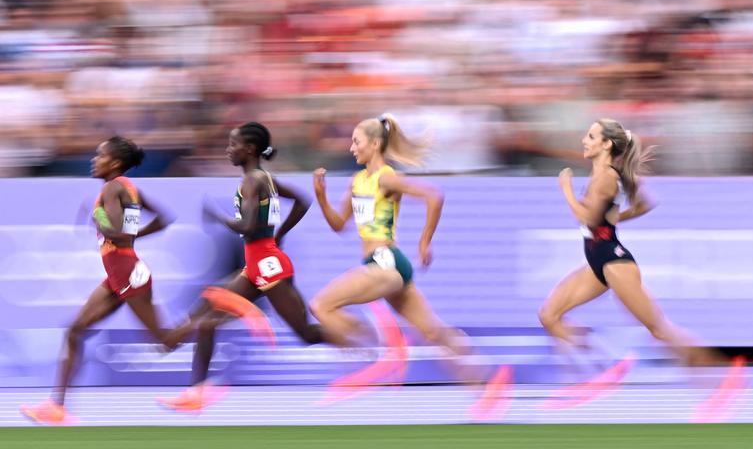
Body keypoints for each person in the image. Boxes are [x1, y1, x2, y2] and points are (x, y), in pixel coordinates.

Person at [538, 119, 744, 411]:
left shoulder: (606, 178)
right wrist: (615, 219)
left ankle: (721, 380)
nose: (584, 140)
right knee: (549, 316)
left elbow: (587, 219)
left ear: (606, 144)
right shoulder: (607, 174)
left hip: (614, 262)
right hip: (597, 261)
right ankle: (605, 367)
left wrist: (566, 189)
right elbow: (645, 204)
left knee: (659, 329)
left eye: (591, 136)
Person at [160, 122, 340, 412]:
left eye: (233, 144)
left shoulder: (253, 181)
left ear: (250, 149)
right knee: (207, 322)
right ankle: (196, 392)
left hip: (267, 266)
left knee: (306, 334)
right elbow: (301, 202)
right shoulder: (264, 178)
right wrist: (279, 233)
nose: (228, 149)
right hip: (256, 264)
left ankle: (362, 341)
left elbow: (248, 225)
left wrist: (216, 216)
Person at [310, 114, 480, 390]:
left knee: (321, 306)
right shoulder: (357, 181)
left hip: (385, 261)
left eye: (356, 142)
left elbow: (433, 196)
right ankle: (484, 380)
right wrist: (321, 196)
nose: (351, 148)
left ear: (375, 144)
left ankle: (381, 357)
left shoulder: (386, 179)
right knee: (432, 331)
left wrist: (425, 241)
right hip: (384, 264)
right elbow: (339, 225)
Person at [22, 137, 176, 425]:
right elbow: (161, 220)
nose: (94, 160)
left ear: (115, 163)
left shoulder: (112, 188)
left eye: (99, 155)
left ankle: (215, 315)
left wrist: (96, 218)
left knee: (164, 340)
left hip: (127, 272)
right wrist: (129, 236)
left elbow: (118, 234)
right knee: (75, 330)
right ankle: (57, 407)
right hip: (118, 273)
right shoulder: (128, 188)